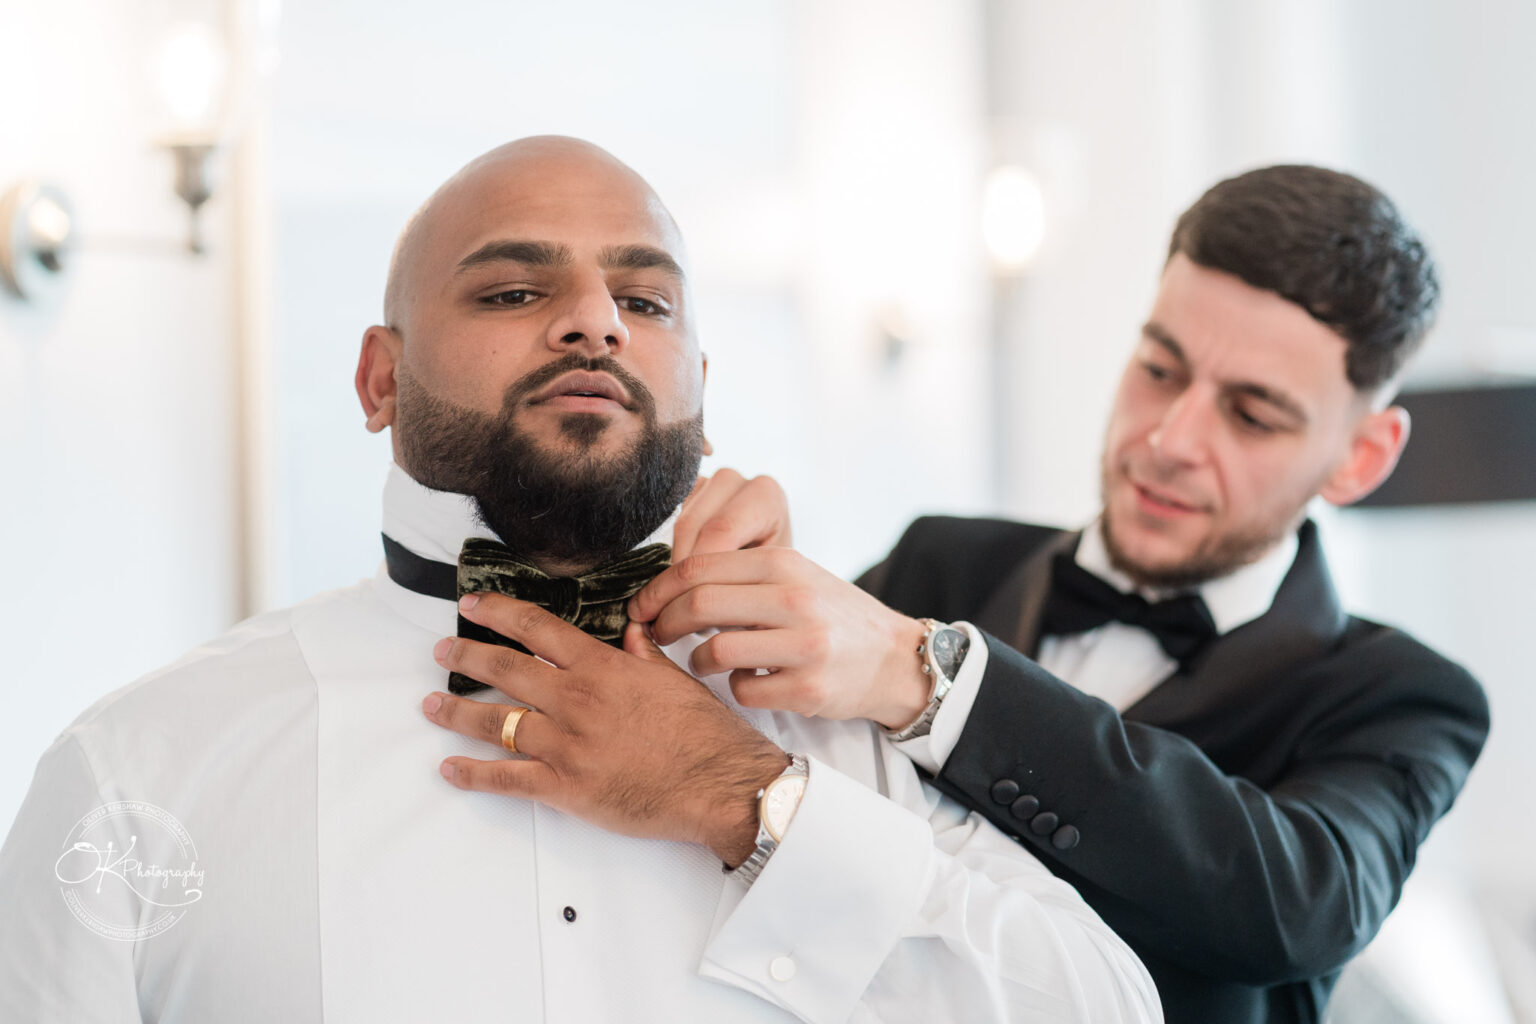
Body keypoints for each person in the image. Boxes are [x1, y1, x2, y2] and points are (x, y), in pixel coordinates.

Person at [0, 136, 1161, 1023]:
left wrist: (752, 801)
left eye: (644, 301)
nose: (596, 321)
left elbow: (1109, 1005)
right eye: (515, 291)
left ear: (699, 394)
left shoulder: (841, 734)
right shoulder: (138, 774)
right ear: (377, 380)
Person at [628, 165, 1491, 1024]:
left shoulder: (1404, 696)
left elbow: (1299, 903)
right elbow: (749, 761)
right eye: (1160, 368)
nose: (1170, 438)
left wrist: (928, 678)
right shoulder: (943, 562)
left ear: (1361, 457)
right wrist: (724, 583)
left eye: (1252, 416)